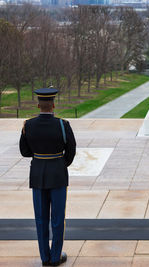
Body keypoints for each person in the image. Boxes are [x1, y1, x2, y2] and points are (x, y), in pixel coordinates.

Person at [19, 88, 76, 266]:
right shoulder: (62, 124)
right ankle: (55, 256)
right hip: (58, 174)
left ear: (38, 105)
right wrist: (60, 163)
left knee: (41, 218)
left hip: (37, 175)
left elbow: (24, 151)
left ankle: (44, 257)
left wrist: (40, 157)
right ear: (53, 105)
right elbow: (71, 150)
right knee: (58, 218)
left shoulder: (28, 124)